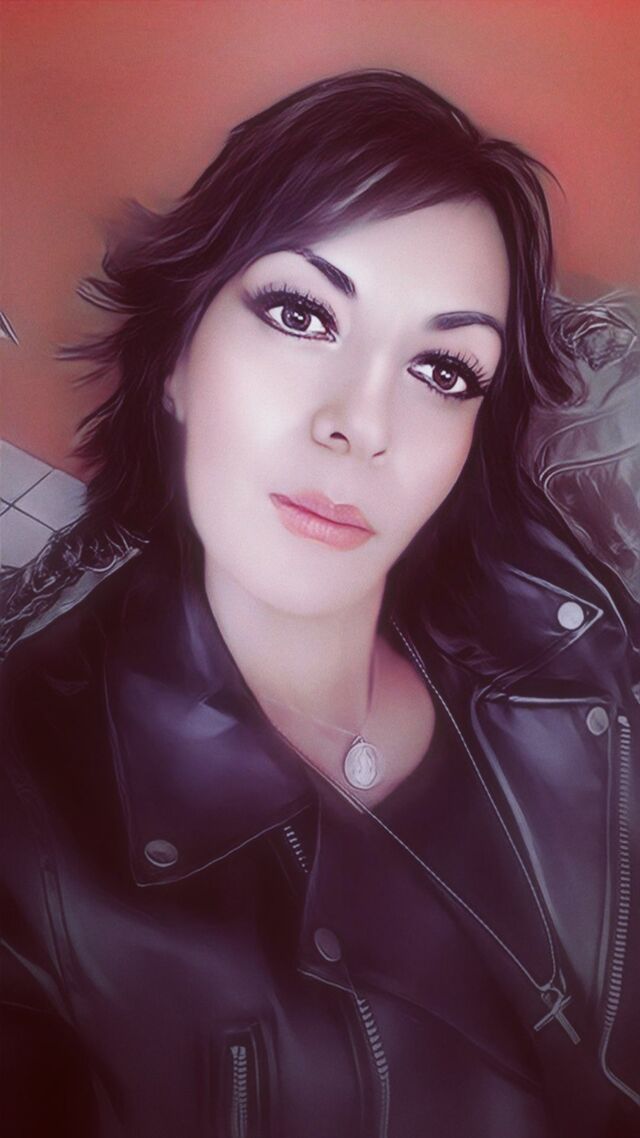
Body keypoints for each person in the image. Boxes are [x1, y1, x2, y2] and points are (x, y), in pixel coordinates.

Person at [1, 69, 638, 1138]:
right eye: (301, 314)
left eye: (443, 370)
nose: (362, 423)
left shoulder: (567, 631)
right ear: (177, 359)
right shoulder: (29, 826)